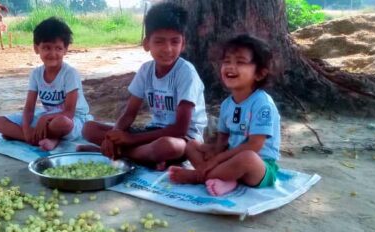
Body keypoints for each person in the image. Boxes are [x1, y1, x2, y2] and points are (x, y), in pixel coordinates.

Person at [79, 2, 207, 170]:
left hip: (185, 139)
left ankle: (118, 152)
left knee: (167, 147)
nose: (167, 49)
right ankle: (137, 154)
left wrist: (130, 140)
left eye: (174, 41)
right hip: (152, 132)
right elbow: (129, 114)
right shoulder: (146, 70)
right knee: (89, 129)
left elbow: (179, 130)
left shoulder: (186, 73)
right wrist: (113, 137)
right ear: (147, 44)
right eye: (159, 41)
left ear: (183, 44)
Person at [169, 34, 280, 196]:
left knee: (247, 157)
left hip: (259, 166)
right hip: (229, 159)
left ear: (259, 74)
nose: (230, 67)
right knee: (192, 144)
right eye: (227, 61)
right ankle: (225, 178)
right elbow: (223, 139)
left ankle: (197, 176)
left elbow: (254, 146)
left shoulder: (262, 104)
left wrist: (216, 160)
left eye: (240, 62)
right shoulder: (227, 104)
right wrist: (214, 152)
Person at [0, 17, 92, 151]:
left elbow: (69, 112)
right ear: (36, 48)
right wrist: (27, 129)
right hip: (47, 116)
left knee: (61, 123)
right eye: (46, 48)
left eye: (58, 48)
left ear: (65, 50)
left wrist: (44, 119)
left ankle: (48, 137)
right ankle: (39, 137)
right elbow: (29, 109)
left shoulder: (70, 74)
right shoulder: (36, 74)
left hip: (74, 119)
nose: (52, 53)